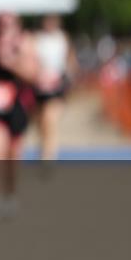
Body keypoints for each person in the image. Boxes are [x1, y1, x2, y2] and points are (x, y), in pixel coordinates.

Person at [0, 12, 39, 220]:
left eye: (9, 19)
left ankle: (10, 193)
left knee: (12, 156)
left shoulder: (25, 42)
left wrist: (11, 61)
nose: (4, 23)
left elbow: (32, 75)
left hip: (17, 104)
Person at [33, 14, 76, 160]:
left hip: (57, 86)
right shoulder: (37, 38)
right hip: (39, 86)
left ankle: (49, 156)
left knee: (49, 119)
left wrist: (68, 76)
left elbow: (71, 61)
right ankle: (44, 149)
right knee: (41, 123)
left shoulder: (62, 38)